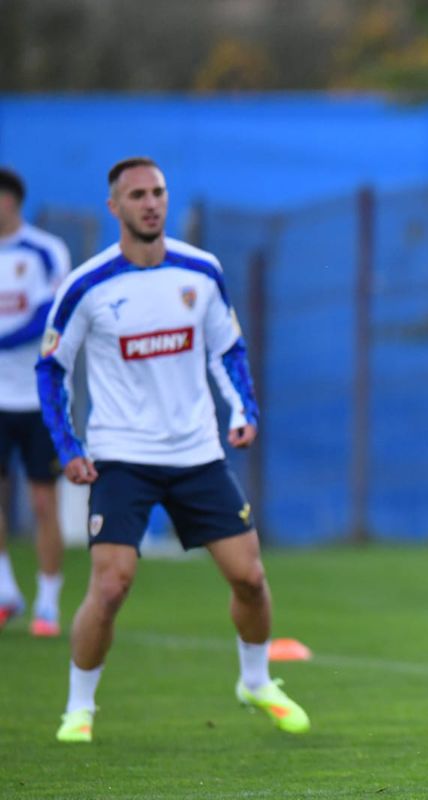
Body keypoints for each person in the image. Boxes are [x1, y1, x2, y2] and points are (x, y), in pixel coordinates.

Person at [36, 157, 310, 743]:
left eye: (158, 192)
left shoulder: (201, 270)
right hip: (122, 456)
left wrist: (244, 411)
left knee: (250, 578)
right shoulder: (86, 284)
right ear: (115, 206)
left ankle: (257, 682)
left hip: (196, 454)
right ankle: (78, 708)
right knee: (112, 586)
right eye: (137, 195)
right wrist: (68, 446)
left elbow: (227, 349)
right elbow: (51, 368)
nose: (151, 203)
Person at [0, 167, 71, 636]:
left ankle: (48, 603)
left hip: (39, 397)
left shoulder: (46, 250)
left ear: (12, 201)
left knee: (43, 502)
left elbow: (48, 316)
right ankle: (6, 591)